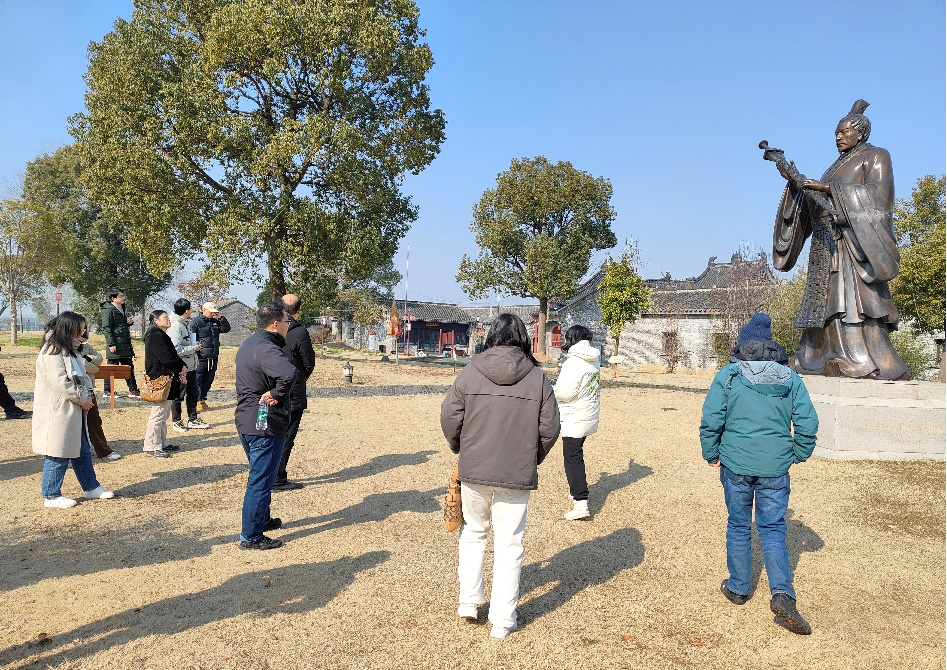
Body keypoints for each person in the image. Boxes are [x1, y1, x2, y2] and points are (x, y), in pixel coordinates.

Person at [440, 313, 560, 639]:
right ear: (524, 339)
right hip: (516, 471)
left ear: (491, 336)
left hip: (475, 468)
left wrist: (460, 448)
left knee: (473, 533)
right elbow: (550, 428)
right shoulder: (537, 378)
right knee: (510, 543)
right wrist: (531, 457)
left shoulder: (470, 372)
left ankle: (468, 601)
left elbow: (449, 416)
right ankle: (503, 620)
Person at [771, 99, 909, 380]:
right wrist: (798, 186)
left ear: (861, 132)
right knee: (823, 304)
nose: (838, 137)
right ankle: (816, 357)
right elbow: (817, 205)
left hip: (852, 242)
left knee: (849, 303)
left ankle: (859, 359)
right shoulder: (835, 166)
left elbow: (879, 197)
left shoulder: (876, 156)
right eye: (836, 133)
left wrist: (828, 188)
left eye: (844, 132)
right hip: (824, 243)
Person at [699, 313, 819, 636]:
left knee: (739, 525)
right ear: (771, 347)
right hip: (775, 468)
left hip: (735, 465)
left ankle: (739, 588)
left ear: (743, 345)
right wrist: (798, 453)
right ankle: (782, 594)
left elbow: (711, 418)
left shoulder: (728, 376)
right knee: (773, 528)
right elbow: (808, 422)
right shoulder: (790, 378)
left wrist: (711, 453)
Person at [32, 312, 115, 508]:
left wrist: (86, 396)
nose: (83, 331)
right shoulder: (53, 350)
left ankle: (91, 487)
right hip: (60, 411)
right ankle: (51, 495)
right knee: (58, 452)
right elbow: (60, 382)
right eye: (80, 328)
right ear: (69, 328)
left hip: (74, 410)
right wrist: (83, 399)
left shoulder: (70, 348)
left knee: (82, 450)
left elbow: (82, 375)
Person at [234, 302, 298, 550]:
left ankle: (262, 519)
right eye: (286, 322)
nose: (288, 326)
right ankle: (251, 536)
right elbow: (289, 374)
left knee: (263, 475)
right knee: (260, 481)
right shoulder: (267, 348)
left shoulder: (249, 343)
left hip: (247, 420)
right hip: (263, 424)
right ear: (275, 324)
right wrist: (277, 393)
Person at [553, 325, 601, 521]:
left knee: (572, 458)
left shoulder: (573, 362)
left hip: (575, 416)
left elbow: (564, 393)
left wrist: (552, 388)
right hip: (588, 413)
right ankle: (576, 489)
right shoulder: (594, 358)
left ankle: (581, 502)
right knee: (576, 453)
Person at [273, 294, 316, 492]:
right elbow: (308, 363)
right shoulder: (299, 332)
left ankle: (269, 473)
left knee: (272, 432)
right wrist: (298, 378)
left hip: (271, 388)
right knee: (287, 435)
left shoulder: (270, 329)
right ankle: (278, 477)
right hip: (292, 389)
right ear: (299, 310)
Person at [142, 310, 188, 458]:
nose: (168, 319)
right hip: (160, 379)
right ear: (156, 320)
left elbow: (172, 355)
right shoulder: (155, 335)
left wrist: (182, 366)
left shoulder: (160, 335)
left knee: (163, 413)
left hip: (166, 378)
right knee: (158, 414)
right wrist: (180, 368)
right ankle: (151, 446)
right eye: (165, 317)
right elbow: (166, 358)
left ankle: (162, 442)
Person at [77, 329, 122, 461]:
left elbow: (99, 359)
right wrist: (91, 366)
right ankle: (74, 452)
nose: (83, 331)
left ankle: (103, 450)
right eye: (80, 328)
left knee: (94, 420)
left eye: (84, 329)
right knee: (74, 423)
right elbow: (85, 366)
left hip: (88, 388)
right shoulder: (66, 348)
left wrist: (89, 359)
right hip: (75, 390)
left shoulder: (86, 346)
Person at [168, 298, 207, 432]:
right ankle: (177, 421)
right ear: (186, 311)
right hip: (181, 367)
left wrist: (195, 346)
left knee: (193, 393)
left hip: (192, 366)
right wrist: (193, 348)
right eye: (190, 308)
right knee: (178, 395)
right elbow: (175, 349)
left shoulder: (187, 323)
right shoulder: (175, 326)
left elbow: (190, 342)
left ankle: (192, 419)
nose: (192, 310)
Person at [99, 287, 142, 399]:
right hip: (115, 344)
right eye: (121, 296)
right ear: (113, 298)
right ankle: (107, 391)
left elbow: (119, 325)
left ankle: (133, 390)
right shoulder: (108, 310)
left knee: (128, 367)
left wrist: (128, 323)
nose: (123, 298)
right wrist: (111, 344)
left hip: (124, 343)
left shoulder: (121, 308)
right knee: (112, 367)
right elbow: (106, 328)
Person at [190, 301, 231, 410]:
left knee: (209, 379)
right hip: (200, 356)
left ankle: (202, 399)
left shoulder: (215, 321)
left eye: (214, 312)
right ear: (204, 310)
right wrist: (195, 346)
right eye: (211, 311)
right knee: (198, 379)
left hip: (213, 356)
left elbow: (226, 329)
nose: (212, 314)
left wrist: (220, 318)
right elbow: (192, 337)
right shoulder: (195, 322)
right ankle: (197, 401)